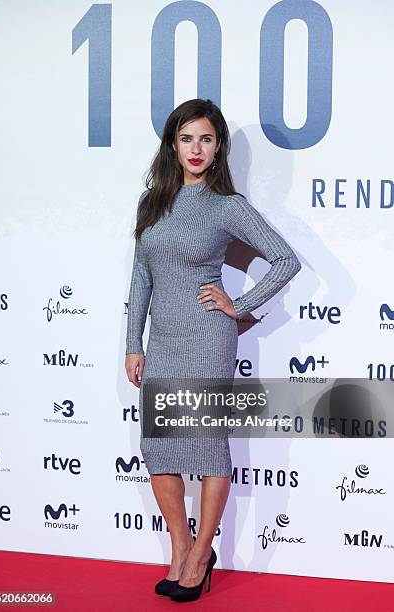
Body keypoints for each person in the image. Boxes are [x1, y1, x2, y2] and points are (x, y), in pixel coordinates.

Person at [125, 98, 301, 602]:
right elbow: (141, 279)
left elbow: (285, 260)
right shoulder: (152, 204)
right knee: (160, 450)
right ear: (172, 145)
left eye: (206, 138)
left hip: (207, 339)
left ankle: (203, 555)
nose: (196, 148)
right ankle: (180, 550)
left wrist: (238, 303)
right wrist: (132, 344)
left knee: (205, 447)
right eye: (186, 138)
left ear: (218, 144)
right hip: (162, 342)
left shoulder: (228, 207)